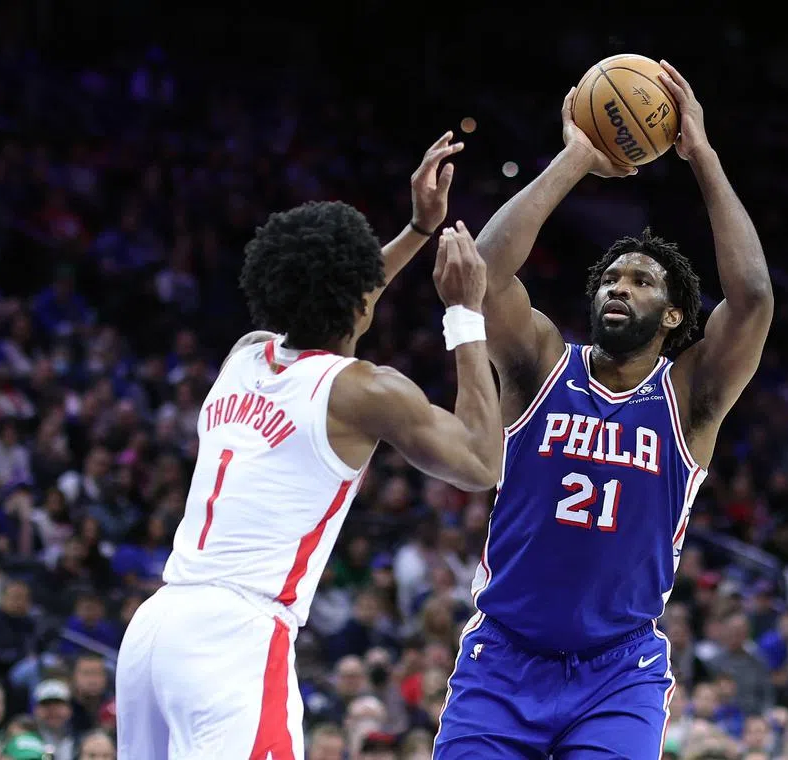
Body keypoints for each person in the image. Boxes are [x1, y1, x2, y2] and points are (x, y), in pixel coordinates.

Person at [116, 133, 503, 759]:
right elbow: (482, 463)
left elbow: (338, 297)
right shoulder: (362, 390)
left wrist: (415, 229)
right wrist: (466, 313)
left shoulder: (247, 354)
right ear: (358, 300)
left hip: (156, 628)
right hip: (236, 637)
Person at [434, 62, 773, 759]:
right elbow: (485, 275)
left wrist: (702, 155)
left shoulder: (689, 399)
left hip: (617, 675)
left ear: (675, 312)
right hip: (501, 659)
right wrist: (576, 158)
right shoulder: (539, 366)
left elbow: (753, 301)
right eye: (611, 278)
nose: (620, 287)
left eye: (641, 280)